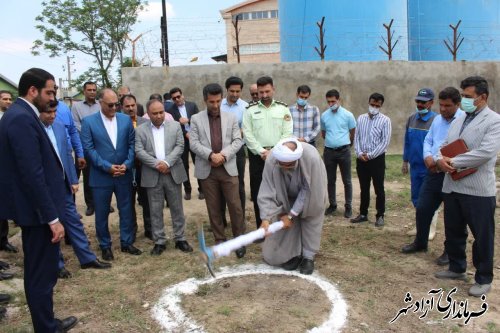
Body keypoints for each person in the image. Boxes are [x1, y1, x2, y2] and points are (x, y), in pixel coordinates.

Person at [0, 68, 77, 332]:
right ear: (32, 91)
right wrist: (52, 218)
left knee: (41, 273)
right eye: (49, 92)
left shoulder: (22, 115)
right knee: (40, 274)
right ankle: (46, 327)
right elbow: (31, 174)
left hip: (37, 211)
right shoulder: (21, 118)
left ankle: (47, 321)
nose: (51, 97)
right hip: (37, 214)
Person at [435, 76, 500, 297]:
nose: (464, 100)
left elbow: (485, 153)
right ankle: (456, 267)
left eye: (468, 96)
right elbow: (445, 144)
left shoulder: (494, 121)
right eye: (462, 96)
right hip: (452, 187)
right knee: (453, 231)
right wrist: (439, 159)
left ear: (483, 97)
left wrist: (452, 162)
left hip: (477, 190)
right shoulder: (459, 118)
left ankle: (483, 277)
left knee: (482, 236)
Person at [40, 101, 112, 277]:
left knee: (74, 221)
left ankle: (87, 259)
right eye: (48, 112)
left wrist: (73, 179)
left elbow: (66, 154)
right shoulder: (34, 129)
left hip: (63, 184)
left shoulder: (58, 127)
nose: (52, 115)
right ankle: (57, 265)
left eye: (54, 112)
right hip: (44, 186)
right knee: (52, 225)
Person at [402, 87, 465, 266]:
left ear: (457, 104)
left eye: (448, 106)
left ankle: (450, 252)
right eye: (441, 105)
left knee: (453, 216)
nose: (443, 109)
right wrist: (428, 157)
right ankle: (420, 242)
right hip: (434, 173)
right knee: (423, 208)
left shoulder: (463, 121)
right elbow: (429, 140)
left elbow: (459, 147)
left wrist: (437, 160)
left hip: (453, 174)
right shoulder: (437, 120)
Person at [81, 88, 141, 261]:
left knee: (126, 209)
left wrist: (127, 164)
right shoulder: (88, 122)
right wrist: (107, 166)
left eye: (116, 104)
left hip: (124, 174)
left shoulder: (125, 120)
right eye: (110, 105)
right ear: (100, 103)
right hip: (101, 177)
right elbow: (89, 149)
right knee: (101, 212)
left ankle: (127, 242)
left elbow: (132, 144)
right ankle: (105, 245)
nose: (114, 107)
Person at [190, 83, 246, 257]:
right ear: (205, 100)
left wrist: (222, 155)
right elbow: (193, 143)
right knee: (213, 207)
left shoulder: (231, 118)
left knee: (235, 206)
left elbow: (238, 141)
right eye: (211, 102)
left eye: (217, 101)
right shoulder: (196, 119)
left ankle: (239, 240)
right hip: (208, 170)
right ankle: (220, 239)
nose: (215, 105)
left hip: (228, 168)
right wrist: (209, 155)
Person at [259, 138, 327, 275]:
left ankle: (308, 256)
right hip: (285, 192)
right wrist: (266, 218)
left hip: (311, 192)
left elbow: (307, 191)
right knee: (284, 222)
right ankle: (293, 254)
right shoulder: (272, 159)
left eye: (288, 165)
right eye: (281, 165)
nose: (285, 168)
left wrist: (291, 215)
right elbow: (267, 189)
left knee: (311, 218)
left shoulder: (311, 158)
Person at [135, 99, 193, 255]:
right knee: (155, 209)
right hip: (152, 174)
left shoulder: (174, 126)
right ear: (148, 114)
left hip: (172, 172)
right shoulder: (140, 130)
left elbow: (180, 146)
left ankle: (180, 238)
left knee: (177, 207)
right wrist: (157, 164)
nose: (159, 116)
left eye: (161, 112)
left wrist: (167, 163)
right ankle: (159, 241)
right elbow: (139, 151)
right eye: (155, 113)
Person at [243, 76, 293, 229]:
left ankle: (280, 225)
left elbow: (287, 132)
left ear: (273, 89)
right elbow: (247, 133)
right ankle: (262, 226)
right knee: (259, 193)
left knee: (281, 191)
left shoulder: (283, 109)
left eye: (267, 91)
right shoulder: (250, 110)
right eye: (260, 92)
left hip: (279, 156)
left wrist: (274, 151)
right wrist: (262, 151)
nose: (264, 95)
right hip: (258, 157)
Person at [351, 93, 392, 227]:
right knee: (364, 187)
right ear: (368, 103)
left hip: (377, 159)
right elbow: (356, 138)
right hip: (361, 159)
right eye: (372, 104)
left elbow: (384, 142)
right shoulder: (361, 118)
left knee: (379, 188)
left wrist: (371, 155)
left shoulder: (385, 120)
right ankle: (363, 213)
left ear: (381, 106)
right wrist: (358, 153)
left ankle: (380, 215)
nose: (374, 107)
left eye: (377, 105)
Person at [320, 89, 356, 218]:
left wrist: (347, 144)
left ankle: (348, 206)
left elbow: (353, 132)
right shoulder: (324, 116)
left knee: (347, 180)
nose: (331, 104)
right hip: (329, 151)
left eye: (333, 101)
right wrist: (332, 142)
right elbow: (323, 133)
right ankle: (333, 204)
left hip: (344, 151)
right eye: (329, 101)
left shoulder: (348, 115)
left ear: (339, 100)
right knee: (330, 180)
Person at [121, 94, 152, 240]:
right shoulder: (118, 123)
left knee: (147, 200)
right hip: (126, 169)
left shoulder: (146, 122)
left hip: (144, 168)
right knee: (128, 202)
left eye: (132, 105)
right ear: (122, 108)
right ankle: (131, 230)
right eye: (127, 106)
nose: (130, 108)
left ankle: (150, 229)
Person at [402, 88, 437, 210]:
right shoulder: (411, 119)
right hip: (415, 167)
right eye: (418, 101)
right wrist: (405, 161)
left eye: (423, 102)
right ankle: (420, 226)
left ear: (431, 103)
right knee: (416, 197)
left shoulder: (436, 120)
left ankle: (429, 229)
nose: (420, 105)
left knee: (429, 199)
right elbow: (407, 141)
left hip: (429, 167)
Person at [166, 87, 202, 200]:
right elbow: (172, 125)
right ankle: (188, 190)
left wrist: (189, 120)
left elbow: (199, 120)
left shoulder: (192, 105)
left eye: (178, 96)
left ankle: (202, 190)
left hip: (195, 138)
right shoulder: (170, 110)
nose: (177, 99)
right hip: (181, 140)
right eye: (174, 98)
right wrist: (185, 133)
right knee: (184, 165)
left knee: (199, 164)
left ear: (182, 95)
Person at [220, 76, 248, 217]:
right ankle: (221, 220)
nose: (235, 94)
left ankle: (239, 217)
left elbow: (246, 129)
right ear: (227, 90)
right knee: (220, 185)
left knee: (238, 184)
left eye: (238, 91)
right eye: (232, 91)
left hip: (238, 151)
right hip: (219, 151)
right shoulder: (219, 105)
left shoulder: (245, 107)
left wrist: (232, 135)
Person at [72, 81, 99, 216]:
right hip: (85, 146)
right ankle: (90, 204)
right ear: (84, 91)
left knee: (100, 174)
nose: (92, 92)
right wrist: (91, 132)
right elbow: (75, 125)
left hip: (100, 145)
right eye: (89, 90)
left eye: (94, 90)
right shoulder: (76, 107)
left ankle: (102, 202)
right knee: (88, 175)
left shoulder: (100, 105)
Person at [0, 90, 18, 253]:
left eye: (10, 99)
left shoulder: (9, 118)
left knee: (3, 208)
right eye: (5, 99)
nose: (8, 102)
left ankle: (3, 240)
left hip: (7, 170)